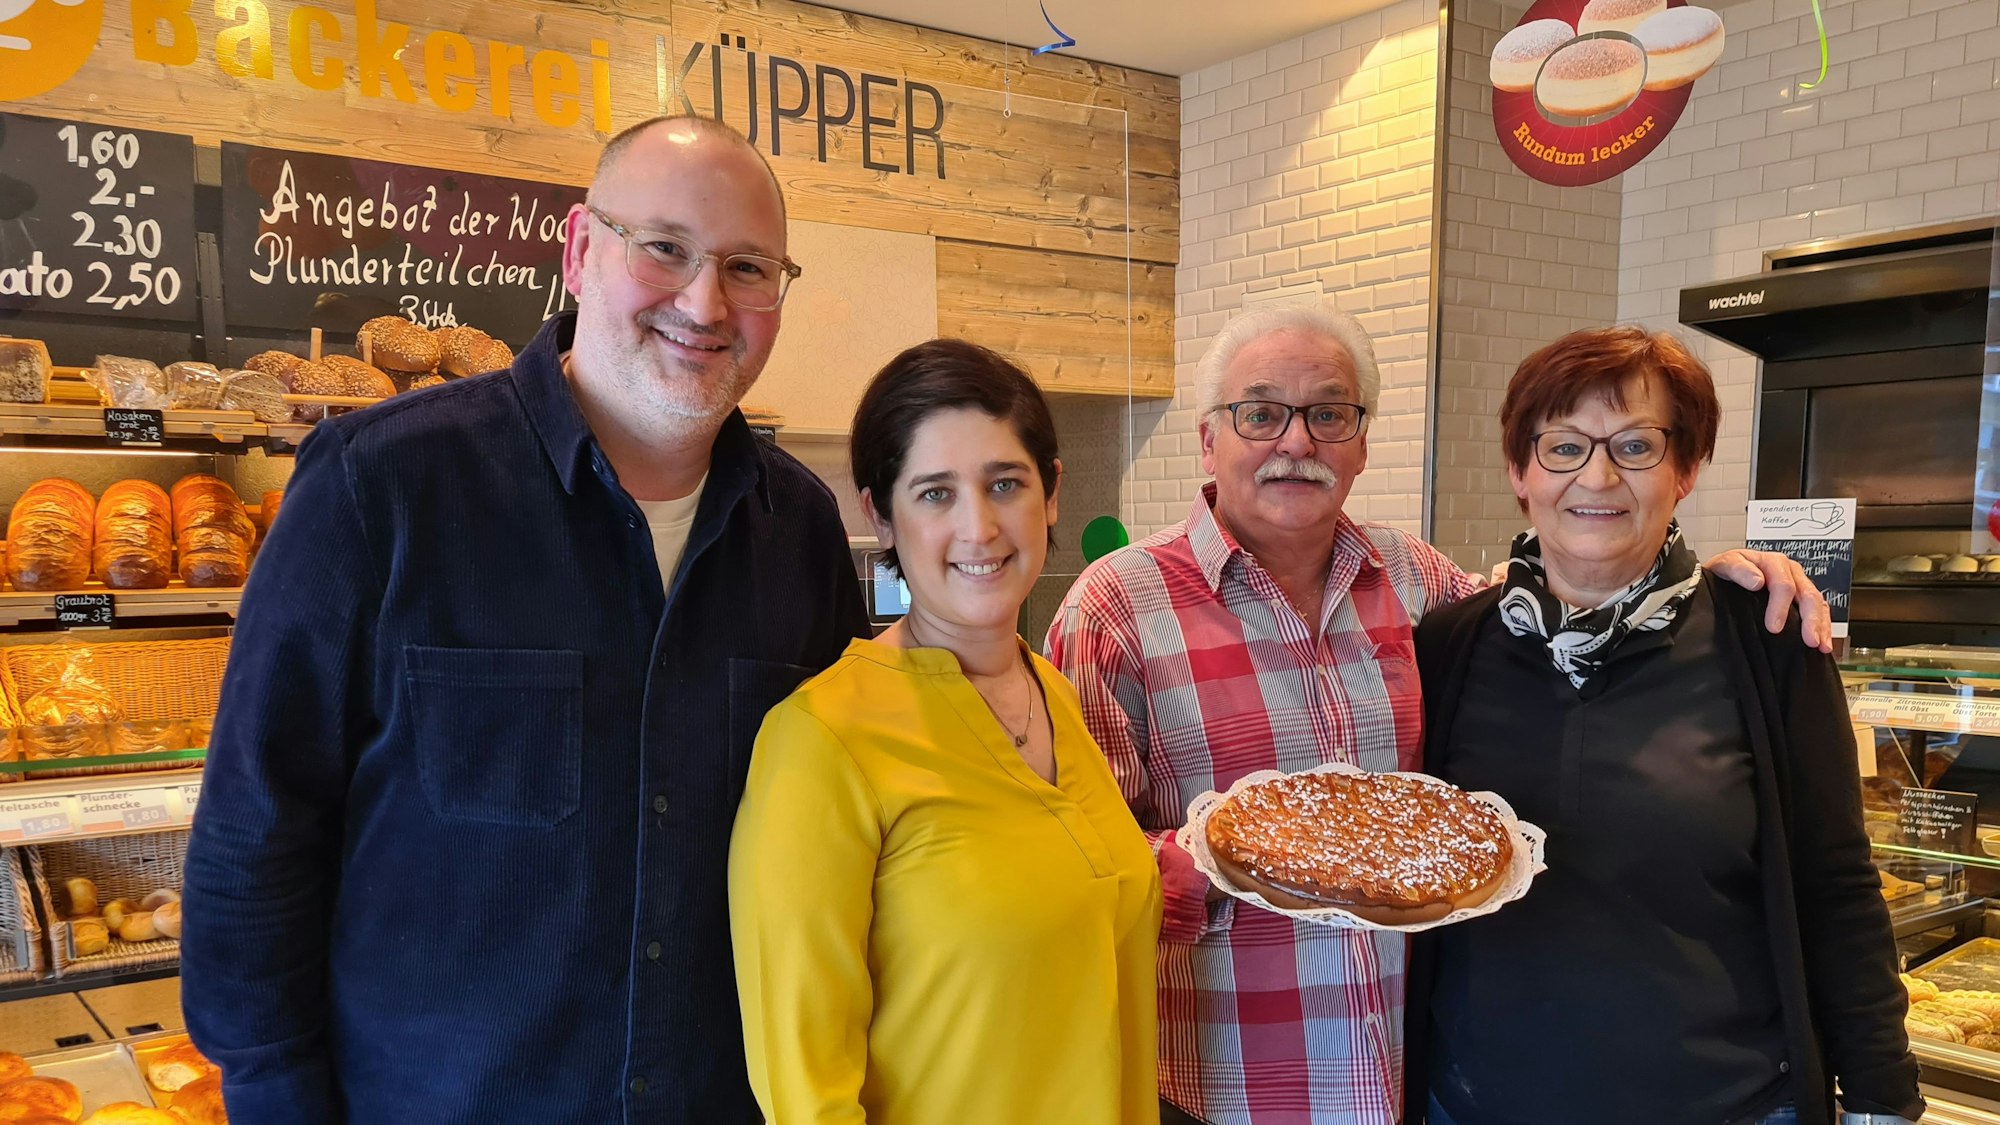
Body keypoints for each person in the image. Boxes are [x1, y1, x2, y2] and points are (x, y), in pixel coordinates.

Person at [180, 116, 869, 1123]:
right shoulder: (380, 487)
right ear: (581, 251)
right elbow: (256, 831)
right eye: (665, 249)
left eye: (749, 267)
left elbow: (841, 844)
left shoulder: (799, 528)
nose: (705, 301)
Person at [1044, 300, 1832, 1125]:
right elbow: (1081, 860)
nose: (1297, 441)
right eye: (1261, 412)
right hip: (1236, 1083)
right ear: (1210, 437)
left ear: (1361, 443)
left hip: (1417, 1080)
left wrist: (1707, 582)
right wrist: (1239, 856)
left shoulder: (1418, 580)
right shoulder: (1116, 608)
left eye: (1329, 414)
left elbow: (1572, 603)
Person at [1409, 326, 1922, 1125]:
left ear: (1684, 469)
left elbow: (1836, 884)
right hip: (1480, 1103)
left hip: (1728, 1105)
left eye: (1637, 444)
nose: (1599, 475)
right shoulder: (1447, 646)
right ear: (1521, 470)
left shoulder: (1768, 640)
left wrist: (1882, 1097)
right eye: (1564, 446)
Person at [729, 340, 1162, 1125]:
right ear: (877, 510)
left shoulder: (1054, 691)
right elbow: (805, 1092)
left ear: (1051, 491)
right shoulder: (822, 739)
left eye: (1006, 483)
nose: (980, 526)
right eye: (934, 493)